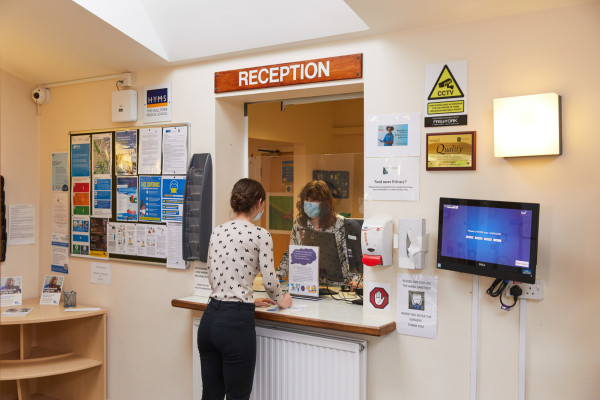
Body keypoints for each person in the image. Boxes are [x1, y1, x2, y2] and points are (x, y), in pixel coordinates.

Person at [197, 178, 293, 400]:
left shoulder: (217, 232)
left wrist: (248, 299)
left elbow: (214, 277)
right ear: (259, 203)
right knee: (237, 396)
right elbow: (270, 282)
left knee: (210, 395)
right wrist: (282, 300)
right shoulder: (261, 235)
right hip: (235, 325)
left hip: (210, 319)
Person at [277, 180, 349, 282]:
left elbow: (349, 256)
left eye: (314, 200)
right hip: (306, 283)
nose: (309, 204)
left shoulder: (339, 223)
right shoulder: (299, 223)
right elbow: (292, 253)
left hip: (336, 286)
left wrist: (354, 281)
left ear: (325, 203)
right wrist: (278, 275)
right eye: (307, 200)